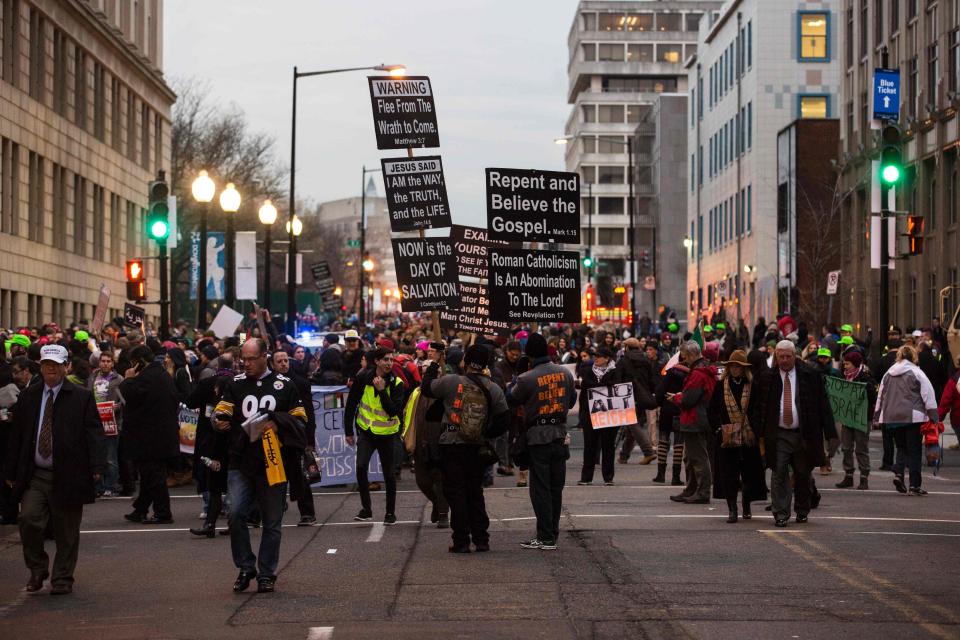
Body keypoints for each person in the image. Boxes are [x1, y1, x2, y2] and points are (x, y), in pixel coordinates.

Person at [4, 344, 105, 595]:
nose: (51, 368)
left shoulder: (81, 396)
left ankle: (62, 577)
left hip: (69, 473)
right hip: (36, 473)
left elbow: (94, 433)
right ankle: (37, 568)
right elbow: (17, 436)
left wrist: (96, 466)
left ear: (65, 366)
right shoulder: (29, 396)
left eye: (57, 364)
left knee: (67, 530)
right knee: (28, 519)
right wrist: (10, 470)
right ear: (40, 366)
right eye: (47, 364)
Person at [214, 338, 308, 593]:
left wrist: (278, 423)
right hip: (241, 460)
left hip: (272, 461)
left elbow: (301, 420)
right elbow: (222, 411)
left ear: (265, 356)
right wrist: (219, 420)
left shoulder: (285, 386)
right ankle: (246, 566)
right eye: (243, 359)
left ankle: (267, 573)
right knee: (234, 513)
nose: (246, 363)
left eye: (251, 358)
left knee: (272, 521)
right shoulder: (235, 384)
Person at [421, 344, 509, 553]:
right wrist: (485, 433)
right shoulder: (493, 388)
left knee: (456, 493)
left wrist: (435, 362)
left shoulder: (452, 381)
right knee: (475, 492)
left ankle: (461, 540)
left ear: (465, 362)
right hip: (476, 447)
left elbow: (426, 388)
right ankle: (481, 539)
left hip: (451, 444)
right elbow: (504, 419)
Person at [507, 333, 576, 550]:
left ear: (529, 355)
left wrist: (518, 376)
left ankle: (545, 536)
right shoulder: (565, 373)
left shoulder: (527, 378)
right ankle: (551, 533)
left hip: (538, 437)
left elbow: (511, 398)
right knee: (556, 488)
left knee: (541, 490)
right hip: (560, 435)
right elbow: (572, 399)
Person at [757, 340, 832, 527]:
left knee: (802, 474)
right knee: (778, 473)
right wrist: (758, 431)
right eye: (780, 357)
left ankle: (802, 509)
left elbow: (822, 404)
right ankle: (781, 513)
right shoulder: (768, 377)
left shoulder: (810, 375)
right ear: (776, 357)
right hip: (778, 434)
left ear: (794, 356)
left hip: (803, 434)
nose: (784, 360)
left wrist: (829, 432)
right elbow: (759, 407)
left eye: (787, 356)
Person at [344, 346, 405, 524]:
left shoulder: (396, 383)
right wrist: (348, 430)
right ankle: (366, 509)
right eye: (385, 359)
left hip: (387, 434)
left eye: (391, 360)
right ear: (377, 361)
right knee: (361, 467)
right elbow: (351, 404)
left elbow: (393, 411)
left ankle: (390, 513)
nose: (389, 363)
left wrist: (381, 390)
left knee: (389, 474)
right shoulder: (363, 377)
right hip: (367, 431)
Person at [120, 345, 180, 525]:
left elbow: (129, 395)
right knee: (149, 476)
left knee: (154, 476)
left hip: (150, 437)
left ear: (139, 362)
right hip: (160, 435)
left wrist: (128, 379)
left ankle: (163, 512)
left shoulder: (146, 378)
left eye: (133, 363)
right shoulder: (161, 374)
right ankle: (140, 509)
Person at [708, 350, 766, 522]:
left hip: (748, 436)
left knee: (749, 474)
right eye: (732, 366)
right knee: (729, 475)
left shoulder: (751, 385)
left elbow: (758, 409)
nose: (735, 369)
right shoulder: (721, 385)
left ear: (744, 369)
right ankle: (732, 509)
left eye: (738, 367)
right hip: (727, 436)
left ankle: (746, 505)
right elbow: (712, 411)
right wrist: (719, 429)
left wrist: (754, 429)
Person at [875, 345, 939, 496]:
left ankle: (899, 473)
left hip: (892, 417)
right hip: (913, 417)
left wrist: (877, 416)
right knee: (914, 450)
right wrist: (934, 416)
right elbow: (928, 395)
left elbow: (881, 395)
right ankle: (914, 485)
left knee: (901, 448)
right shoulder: (917, 372)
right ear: (914, 357)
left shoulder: (888, 374)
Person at [185, 354, 235, 538]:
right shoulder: (238, 383)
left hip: (210, 438)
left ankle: (210, 523)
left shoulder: (207, 383)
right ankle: (234, 522)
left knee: (213, 482)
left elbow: (190, 401)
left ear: (217, 365)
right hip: (234, 438)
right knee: (234, 481)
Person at [271, 350, 317, 526]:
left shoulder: (300, 383)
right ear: (273, 364)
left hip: (294, 437)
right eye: (279, 361)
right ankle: (266, 511)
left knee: (299, 475)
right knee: (271, 475)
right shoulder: (268, 383)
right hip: (273, 436)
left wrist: (309, 439)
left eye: (285, 360)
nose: (284, 364)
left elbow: (309, 413)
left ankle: (307, 513)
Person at [668, 341, 717, 504]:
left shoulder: (697, 373)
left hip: (695, 419)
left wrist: (676, 397)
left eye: (684, 356)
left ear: (690, 355)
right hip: (698, 418)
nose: (683, 359)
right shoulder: (703, 370)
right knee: (690, 458)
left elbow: (689, 399)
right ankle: (691, 489)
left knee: (698, 458)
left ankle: (702, 492)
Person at [576, 346, 620, 486]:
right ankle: (586, 477)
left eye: (599, 356)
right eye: (595, 356)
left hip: (609, 414)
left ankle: (608, 477)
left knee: (608, 446)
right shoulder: (588, 371)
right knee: (590, 445)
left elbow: (619, 388)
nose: (596, 358)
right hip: (590, 413)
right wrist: (582, 416)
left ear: (607, 358)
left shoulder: (615, 371)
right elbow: (584, 392)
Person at [835, 351, 877, 490]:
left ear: (855, 364)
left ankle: (864, 477)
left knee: (861, 448)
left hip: (862, 418)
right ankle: (848, 475)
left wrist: (864, 389)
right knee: (846, 447)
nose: (844, 366)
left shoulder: (865, 377)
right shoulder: (843, 377)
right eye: (844, 363)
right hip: (847, 417)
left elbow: (872, 397)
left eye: (847, 364)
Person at [615, 338, 658, 465]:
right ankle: (624, 456)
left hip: (628, 396)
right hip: (643, 397)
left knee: (632, 424)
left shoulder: (624, 361)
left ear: (627, 347)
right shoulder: (646, 360)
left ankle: (648, 452)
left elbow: (617, 380)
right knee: (633, 426)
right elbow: (651, 380)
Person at [88, 351, 123, 497]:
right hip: (96, 421)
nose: (105, 363)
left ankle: (111, 485)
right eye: (103, 361)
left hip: (112, 422)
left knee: (110, 457)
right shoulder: (93, 377)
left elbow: (125, 400)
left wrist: (117, 406)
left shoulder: (118, 379)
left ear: (113, 363)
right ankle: (99, 486)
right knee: (97, 455)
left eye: (108, 361)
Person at [653, 355, 688, 485]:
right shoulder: (690, 374)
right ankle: (675, 477)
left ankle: (660, 475)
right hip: (680, 410)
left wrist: (661, 403)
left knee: (663, 441)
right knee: (679, 445)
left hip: (667, 410)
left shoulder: (671, 372)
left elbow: (660, 391)